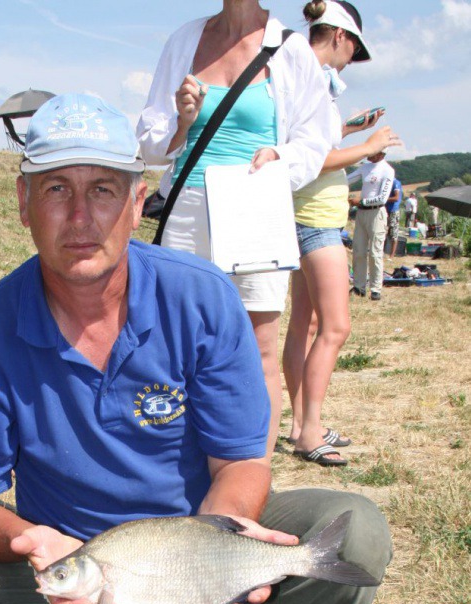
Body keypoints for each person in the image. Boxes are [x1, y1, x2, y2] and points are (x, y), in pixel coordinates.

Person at [0, 92, 391, 604]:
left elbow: (242, 463)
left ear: (138, 203)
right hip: (72, 550)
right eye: (57, 189)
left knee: (354, 526)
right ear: (24, 203)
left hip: (199, 526)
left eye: (104, 190)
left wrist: (216, 548)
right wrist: (29, 540)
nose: (81, 216)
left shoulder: (202, 298)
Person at [136, 0, 334, 458]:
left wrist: (280, 159)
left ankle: (252, 475)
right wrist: (182, 120)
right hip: (186, 211)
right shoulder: (186, 40)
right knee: (171, 343)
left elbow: (316, 137)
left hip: (255, 206)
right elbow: (149, 145)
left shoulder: (291, 50)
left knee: (258, 345)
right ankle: (176, 467)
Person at [282, 0, 401, 467]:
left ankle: (300, 422)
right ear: (340, 37)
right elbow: (306, 158)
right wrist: (367, 147)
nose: (353, 58)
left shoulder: (303, 75)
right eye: (354, 48)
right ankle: (309, 431)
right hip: (315, 217)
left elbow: (315, 142)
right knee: (336, 325)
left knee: (306, 324)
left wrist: (352, 132)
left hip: (307, 213)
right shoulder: (309, 76)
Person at [348, 150, 395, 299]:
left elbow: (382, 198)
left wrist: (361, 201)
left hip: (376, 213)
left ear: (382, 154)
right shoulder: (365, 167)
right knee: (359, 251)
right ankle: (358, 286)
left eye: (374, 152)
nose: (369, 153)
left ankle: (376, 289)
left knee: (375, 253)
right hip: (362, 213)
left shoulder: (387, 170)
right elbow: (347, 179)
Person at [386, 175, 402, 244]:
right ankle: (385, 250)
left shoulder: (395, 183)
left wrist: (384, 199)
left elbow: (396, 198)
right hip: (387, 209)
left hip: (393, 210)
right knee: (386, 231)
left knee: (394, 233)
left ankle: (392, 254)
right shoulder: (388, 183)